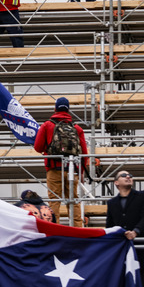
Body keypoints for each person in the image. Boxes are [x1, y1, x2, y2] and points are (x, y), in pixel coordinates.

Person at [33, 97, 89, 226]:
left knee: (54, 201)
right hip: (72, 170)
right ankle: (77, 229)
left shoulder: (47, 125)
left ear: (55, 108)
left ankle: (55, 228)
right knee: (74, 200)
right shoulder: (76, 128)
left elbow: (37, 147)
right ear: (68, 110)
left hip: (53, 169)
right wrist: (80, 172)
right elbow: (84, 153)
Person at [106, 170, 144, 287]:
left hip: (141, 250)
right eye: (124, 175)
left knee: (143, 284)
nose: (128, 177)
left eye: (130, 175)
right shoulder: (112, 203)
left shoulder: (143, 195)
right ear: (116, 182)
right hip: (122, 251)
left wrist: (136, 231)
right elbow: (110, 225)